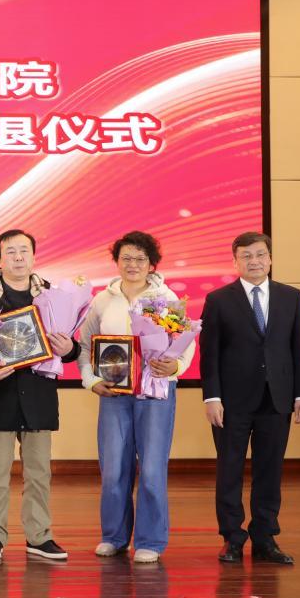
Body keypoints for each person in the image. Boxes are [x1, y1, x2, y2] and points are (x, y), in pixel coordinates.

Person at [78, 231, 193, 564]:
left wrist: (176, 366)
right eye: (126, 258)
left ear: (151, 263)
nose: (133, 265)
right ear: (117, 262)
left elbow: (185, 343)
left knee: (153, 468)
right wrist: (90, 379)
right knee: (113, 469)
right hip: (114, 394)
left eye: (140, 259)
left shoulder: (167, 298)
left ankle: (150, 540)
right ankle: (114, 536)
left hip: (156, 393)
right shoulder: (102, 300)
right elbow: (85, 345)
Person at [201, 231, 300, 565]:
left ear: (270, 258)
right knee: (229, 470)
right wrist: (212, 397)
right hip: (231, 402)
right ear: (235, 261)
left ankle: (265, 538)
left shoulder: (291, 297)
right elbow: (210, 355)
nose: (254, 261)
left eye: (260, 254)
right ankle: (232, 538)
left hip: (277, 399)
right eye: (246, 256)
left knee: (270, 470)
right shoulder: (218, 300)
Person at [0, 229, 79, 563]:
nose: (18, 257)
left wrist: (69, 348)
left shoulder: (52, 296)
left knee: (39, 472)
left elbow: (71, 347)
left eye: (24, 251)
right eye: (10, 252)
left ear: (33, 256)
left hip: (38, 395)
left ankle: (39, 536)